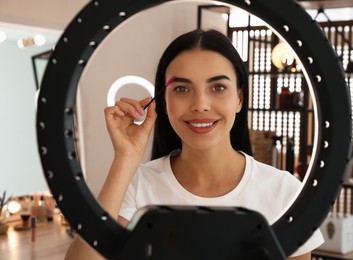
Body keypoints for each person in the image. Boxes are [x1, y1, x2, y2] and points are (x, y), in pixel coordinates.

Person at [65, 28, 323, 260]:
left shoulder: (284, 192)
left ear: (239, 98)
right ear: (163, 101)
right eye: (181, 89)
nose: (200, 104)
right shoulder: (137, 186)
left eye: (218, 87)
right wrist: (125, 158)